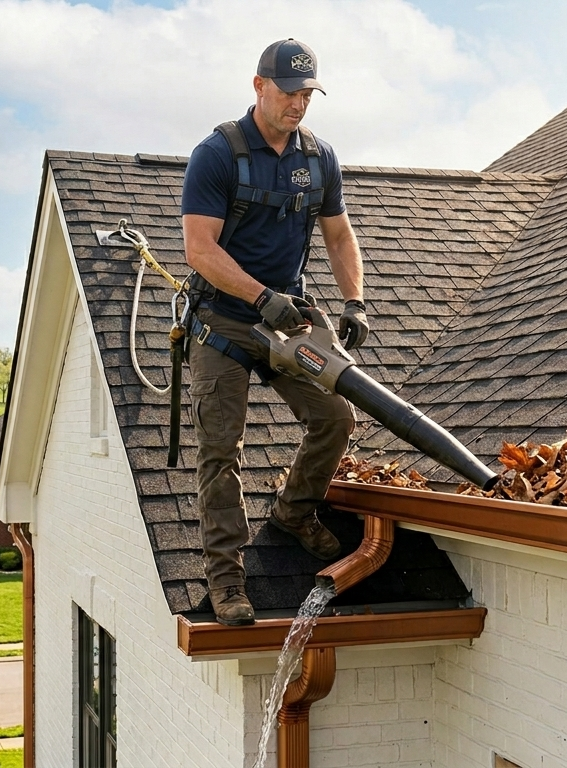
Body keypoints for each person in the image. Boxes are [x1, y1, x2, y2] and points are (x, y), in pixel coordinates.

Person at [181, 38, 368, 626]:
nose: (299, 105)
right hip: (225, 324)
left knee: (336, 415)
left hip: (289, 326)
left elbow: (338, 235)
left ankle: (294, 511)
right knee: (221, 449)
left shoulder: (318, 158)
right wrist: (261, 297)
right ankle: (227, 577)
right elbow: (198, 249)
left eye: (308, 94)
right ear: (259, 86)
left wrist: (355, 302)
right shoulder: (217, 154)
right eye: (289, 92)